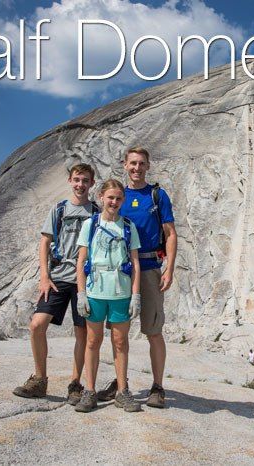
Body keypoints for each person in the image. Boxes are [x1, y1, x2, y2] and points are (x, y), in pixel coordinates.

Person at [97, 147, 177, 409]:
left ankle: (157, 386)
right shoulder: (119, 195)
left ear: (148, 166)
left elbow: (171, 232)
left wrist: (170, 268)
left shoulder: (157, 195)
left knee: (153, 330)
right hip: (122, 270)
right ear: (125, 164)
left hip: (150, 266)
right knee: (119, 332)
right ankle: (121, 384)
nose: (137, 168)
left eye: (141, 163)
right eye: (133, 163)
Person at [13, 163, 96, 404]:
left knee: (82, 332)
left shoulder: (96, 213)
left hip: (86, 281)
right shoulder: (58, 210)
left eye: (85, 180)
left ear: (92, 183)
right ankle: (39, 379)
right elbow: (44, 242)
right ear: (70, 181)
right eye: (77, 179)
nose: (80, 184)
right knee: (37, 324)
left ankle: (75, 383)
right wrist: (44, 276)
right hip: (58, 276)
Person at [74, 179, 143, 413]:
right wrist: (81, 292)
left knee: (120, 341)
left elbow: (135, 262)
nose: (114, 202)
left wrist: (135, 295)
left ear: (123, 200)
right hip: (95, 290)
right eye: (110, 197)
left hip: (120, 290)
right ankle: (90, 391)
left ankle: (122, 391)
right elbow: (81, 260)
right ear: (101, 197)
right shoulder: (90, 224)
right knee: (93, 341)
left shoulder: (128, 226)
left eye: (118, 198)